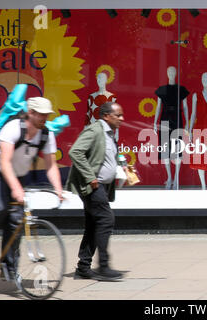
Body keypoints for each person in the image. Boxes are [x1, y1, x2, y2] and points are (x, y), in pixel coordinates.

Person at [0, 97, 64, 279]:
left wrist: (58, 189)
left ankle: (8, 267)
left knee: (16, 221)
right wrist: (16, 189)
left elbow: (51, 165)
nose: (45, 118)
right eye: (41, 114)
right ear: (31, 113)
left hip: (19, 174)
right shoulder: (13, 128)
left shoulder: (46, 134)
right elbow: (4, 163)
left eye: (47, 115)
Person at [66, 101, 124, 281]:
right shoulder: (95, 130)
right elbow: (75, 152)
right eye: (118, 115)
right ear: (106, 115)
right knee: (106, 219)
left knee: (94, 224)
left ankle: (83, 267)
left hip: (102, 185)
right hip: (93, 185)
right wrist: (90, 177)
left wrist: (122, 167)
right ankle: (104, 266)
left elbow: (107, 157)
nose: (122, 119)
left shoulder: (110, 133)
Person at [153, 66, 189, 189]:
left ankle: (177, 178)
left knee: (177, 149)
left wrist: (187, 123)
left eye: (173, 71)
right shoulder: (162, 90)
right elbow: (158, 106)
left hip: (177, 119)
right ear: (167, 73)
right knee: (165, 150)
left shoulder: (181, 89)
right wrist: (154, 121)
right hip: (164, 118)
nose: (171, 73)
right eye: (169, 71)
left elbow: (185, 107)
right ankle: (169, 177)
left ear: (176, 73)